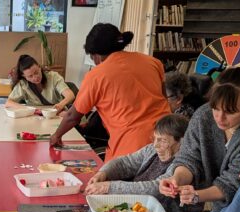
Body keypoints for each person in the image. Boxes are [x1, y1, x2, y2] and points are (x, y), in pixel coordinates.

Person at [159, 65, 240, 212]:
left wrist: (197, 195)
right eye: (215, 108)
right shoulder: (203, 115)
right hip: (219, 208)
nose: (220, 117)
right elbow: (189, 157)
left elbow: (233, 183)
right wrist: (176, 179)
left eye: (230, 111)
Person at [49, 23, 169, 160]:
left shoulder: (96, 75)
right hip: (169, 137)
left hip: (132, 147)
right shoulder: (153, 62)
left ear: (96, 55)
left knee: (109, 180)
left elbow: (73, 116)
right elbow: (164, 98)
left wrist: (56, 136)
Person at [84, 114, 195, 212]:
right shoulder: (152, 150)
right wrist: (103, 173)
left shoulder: (183, 164)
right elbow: (125, 163)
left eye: (163, 141)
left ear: (181, 142)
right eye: (155, 138)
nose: (155, 145)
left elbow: (155, 188)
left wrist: (108, 187)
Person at [4, 54, 75, 113]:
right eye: (30, 76)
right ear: (24, 76)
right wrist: (28, 109)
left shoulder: (53, 77)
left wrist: (60, 105)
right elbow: (8, 103)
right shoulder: (23, 84)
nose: (35, 77)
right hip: (36, 115)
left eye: (36, 72)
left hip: (58, 113)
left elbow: (70, 95)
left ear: (39, 67)